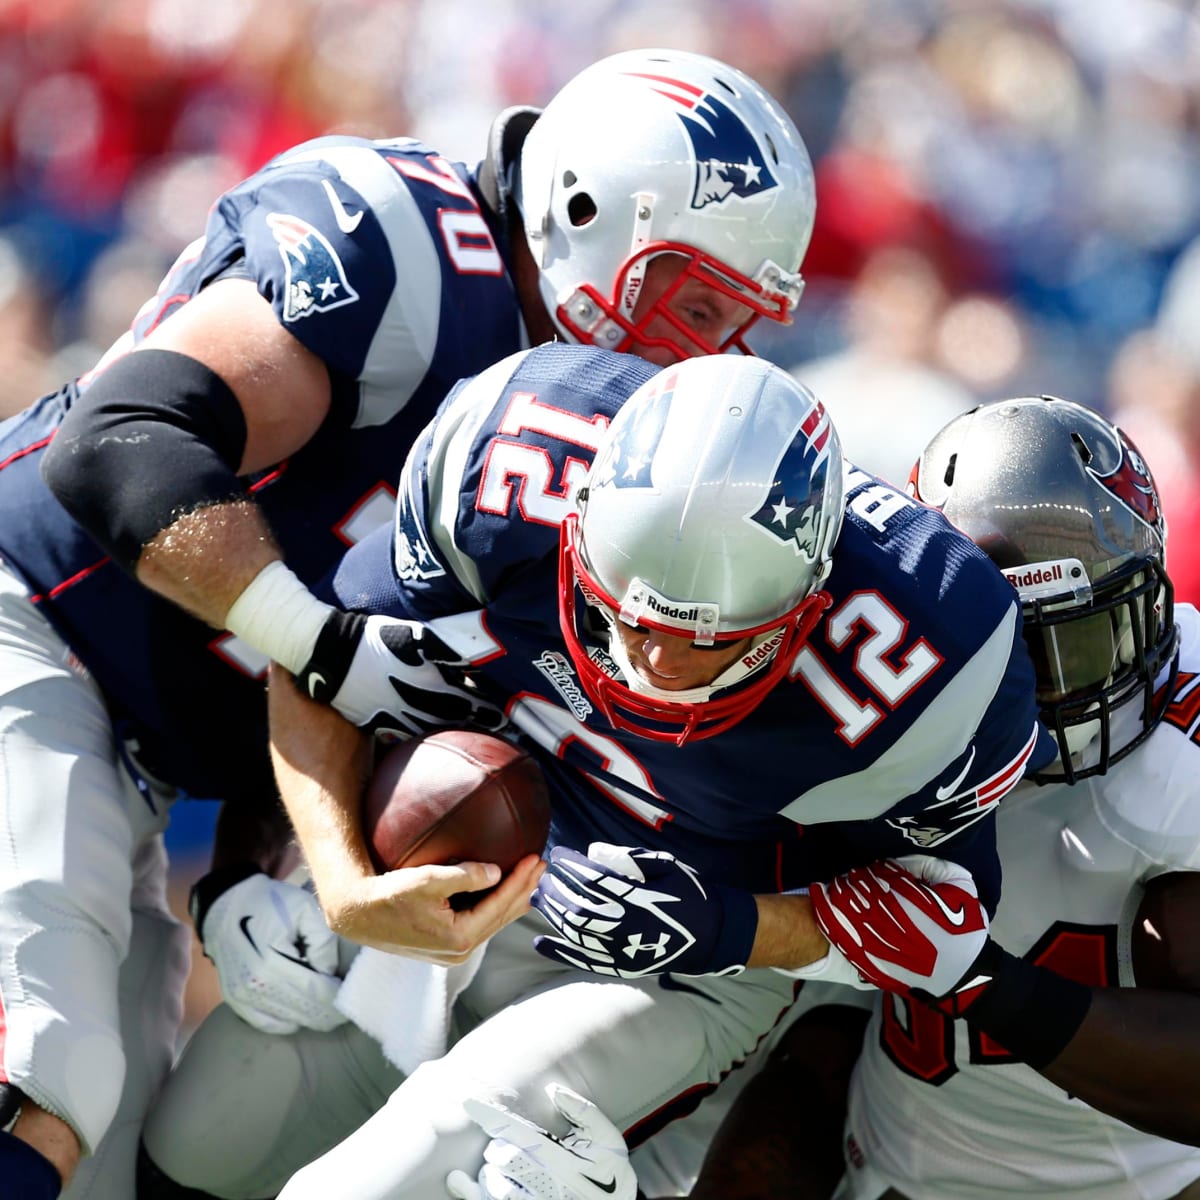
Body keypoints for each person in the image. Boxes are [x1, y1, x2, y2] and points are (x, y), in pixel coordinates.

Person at [0, 47, 821, 1200]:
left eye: (739, 327)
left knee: (102, 1163)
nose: (705, 358)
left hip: (148, 751)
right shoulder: (414, 245)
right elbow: (123, 441)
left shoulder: (600, 444)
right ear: (582, 212)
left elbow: (350, 672)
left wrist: (250, 873)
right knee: (40, 1080)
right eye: (691, 303)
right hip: (33, 622)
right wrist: (324, 645)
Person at [141, 342, 1054, 1198]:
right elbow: (318, 660)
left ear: (807, 606)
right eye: (629, 617)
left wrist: (731, 927)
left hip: (685, 971)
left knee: (388, 1176)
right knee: (199, 1143)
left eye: (705, 642)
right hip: (475, 859)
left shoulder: (929, 655)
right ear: (579, 523)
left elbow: (944, 924)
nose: (654, 662)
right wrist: (340, 883)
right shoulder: (513, 455)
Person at [470, 394, 1200, 1200]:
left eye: (1068, 642)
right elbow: (816, 1034)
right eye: (1008, 647)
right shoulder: (873, 716)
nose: (1031, 694)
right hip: (879, 1152)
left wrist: (984, 983)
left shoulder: (1176, 767)